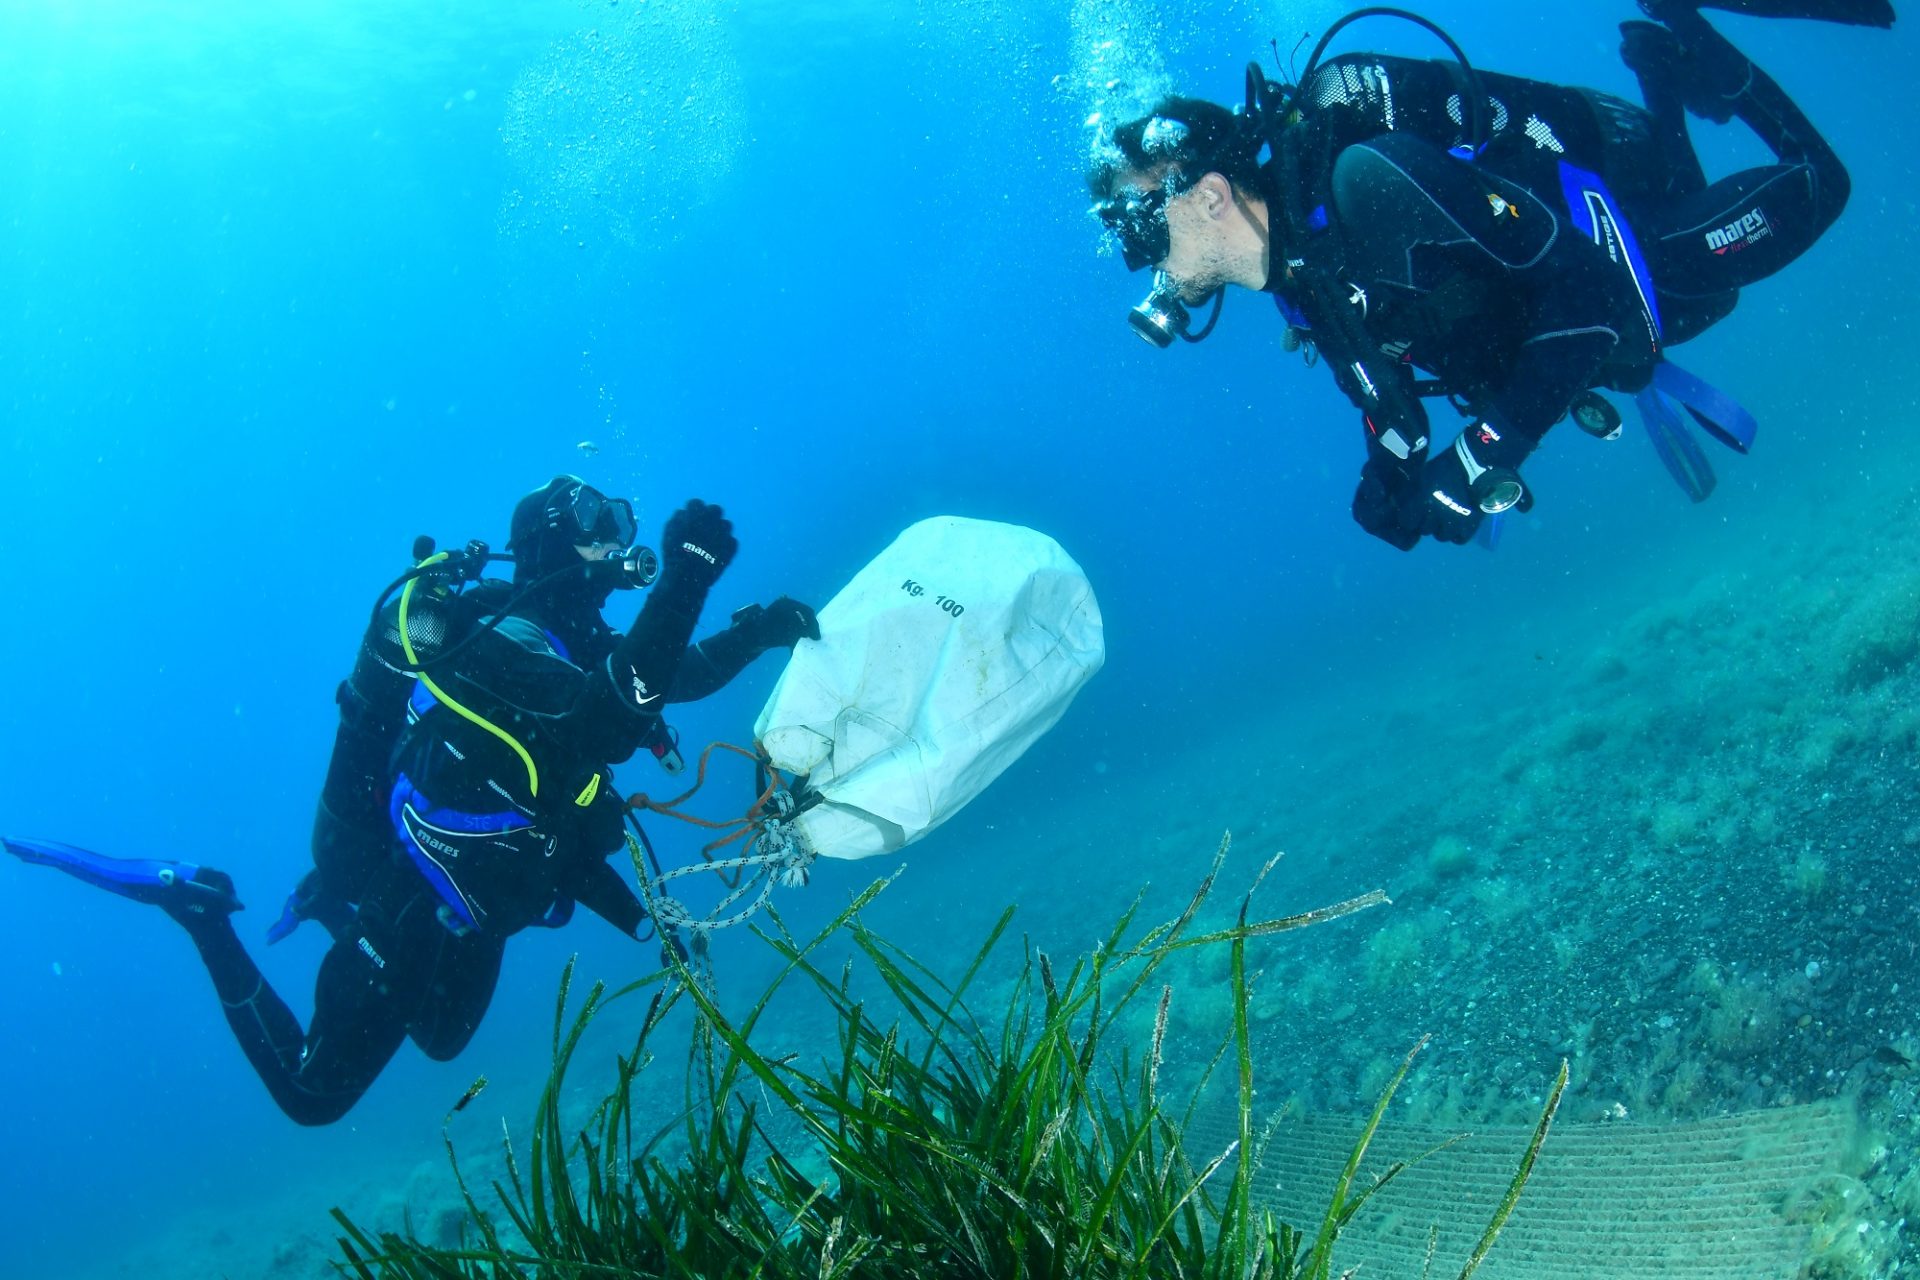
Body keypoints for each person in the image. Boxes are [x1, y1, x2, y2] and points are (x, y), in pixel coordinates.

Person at [4, 477, 820, 1125]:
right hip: (414, 891)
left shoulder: (582, 647)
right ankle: (199, 911)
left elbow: (665, 678)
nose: (615, 537)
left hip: (482, 896)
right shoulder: (500, 643)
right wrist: (683, 577)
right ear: (544, 540)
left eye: (619, 519)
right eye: (594, 517)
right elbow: (613, 717)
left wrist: (760, 628)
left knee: (442, 1039)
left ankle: (329, 902)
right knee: (312, 1097)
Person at [1087, 0, 1892, 548]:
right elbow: (1388, 396)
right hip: (1622, 302)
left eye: (1135, 221)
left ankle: (1693, 40)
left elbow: (1594, 295)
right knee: (1694, 297)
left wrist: (1478, 459)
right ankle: (1663, 68)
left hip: (1629, 246)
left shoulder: (1371, 182)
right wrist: (1392, 481)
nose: (1133, 255)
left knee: (1817, 190)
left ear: (1212, 196)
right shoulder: (1306, 281)